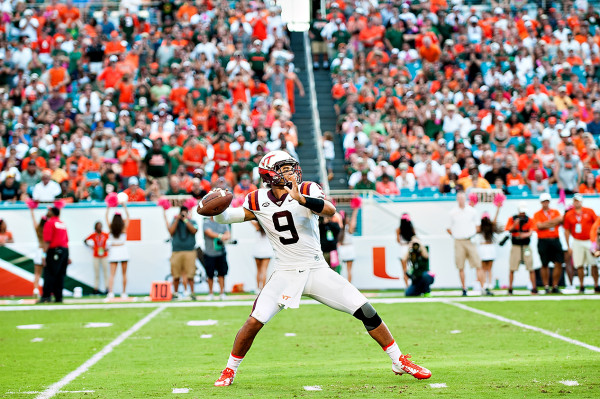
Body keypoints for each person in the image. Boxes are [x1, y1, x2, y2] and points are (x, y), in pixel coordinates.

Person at [204, 151, 430, 387]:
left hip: (316, 268)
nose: (291, 171)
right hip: (285, 272)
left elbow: (329, 210)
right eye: (285, 168)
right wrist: (213, 209)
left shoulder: (308, 189)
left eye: (292, 166)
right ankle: (229, 370)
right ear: (270, 175)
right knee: (254, 322)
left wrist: (300, 199)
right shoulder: (257, 199)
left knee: (366, 311)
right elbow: (229, 216)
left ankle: (398, 360)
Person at [447, 191, 485, 296]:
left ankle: (482, 288)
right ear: (457, 199)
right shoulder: (452, 213)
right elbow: (448, 228)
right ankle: (464, 288)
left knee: (478, 264)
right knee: (460, 266)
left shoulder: (472, 211)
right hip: (459, 241)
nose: (461, 200)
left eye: (462, 198)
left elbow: (478, 226)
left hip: (470, 240)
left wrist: (471, 234)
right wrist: (456, 235)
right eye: (459, 198)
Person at [563, 194, 598, 293]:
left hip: (589, 240)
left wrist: (596, 241)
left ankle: (596, 285)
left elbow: (597, 225)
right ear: (573, 202)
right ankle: (582, 285)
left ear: (581, 202)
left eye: (578, 201)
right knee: (579, 264)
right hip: (577, 241)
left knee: (593, 263)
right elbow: (567, 231)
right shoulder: (569, 214)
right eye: (575, 201)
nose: (577, 202)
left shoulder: (589, 211)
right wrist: (568, 246)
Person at [532, 193, 564, 294]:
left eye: (547, 201)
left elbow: (560, 220)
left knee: (558, 262)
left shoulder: (555, 211)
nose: (545, 203)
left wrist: (546, 224)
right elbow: (539, 226)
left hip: (555, 239)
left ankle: (555, 285)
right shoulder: (537, 214)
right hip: (543, 240)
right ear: (541, 202)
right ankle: (546, 286)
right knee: (544, 263)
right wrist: (552, 223)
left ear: (549, 202)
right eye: (543, 201)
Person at [164, 206, 198, 300]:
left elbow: (194, 230)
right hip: (177, 251)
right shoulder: (175, 221)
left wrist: (186, 220)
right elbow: (171, 232)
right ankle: (175, 293)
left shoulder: (192, 221)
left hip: (190, 251)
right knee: (176, 274)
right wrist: (177, 219)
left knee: (190, 274)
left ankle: (192, 293)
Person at [505, 202, 538, 295]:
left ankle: (534, 288)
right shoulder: (512, 219)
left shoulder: (529, 220)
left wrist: (524, 235)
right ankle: (510, 288)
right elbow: (509, 229)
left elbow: (531, 231)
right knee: (512, 267)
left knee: (530, 266)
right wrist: (516, 224)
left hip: (526, 246)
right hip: (516, 246)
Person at [39, 207, 69, 303]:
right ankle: (58, 297)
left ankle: (46, 296)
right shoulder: (62, 223)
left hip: (54, 251)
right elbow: (66, 240)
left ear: (52, 213)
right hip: (64, 251)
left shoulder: (49, 223)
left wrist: (44, 255)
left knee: (49, 273)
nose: (47, 212)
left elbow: (47, 241)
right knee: (60, 275)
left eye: (49, 210)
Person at [203, 216, 231, 301]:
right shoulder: (206, 223)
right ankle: (210, 293)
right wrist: (221, 236)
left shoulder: (223, 222)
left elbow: (228, 234)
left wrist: (224, 236)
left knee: (221, 274)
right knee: (210, 274)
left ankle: (222, 293)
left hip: (221, 253)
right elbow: (209, 233)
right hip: (209, 253)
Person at [105, 203, 130, 299]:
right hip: (123, 250)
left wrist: (108, 207)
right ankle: (124, 293)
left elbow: (106, 217)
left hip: (114, 251)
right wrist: (124, 206)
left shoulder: (111, 227)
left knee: (112, 274)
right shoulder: (123, 228)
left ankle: (110, 292)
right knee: (124, 273)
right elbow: (128, 217)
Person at [478, 203, 501, 296]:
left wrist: (498, 208)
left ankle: (486, 285)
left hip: (485, 248)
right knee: (488, 269)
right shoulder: (483, 227)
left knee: (484, 268)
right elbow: (495, 218)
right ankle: (487, 285)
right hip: (488, 248)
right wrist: (498, 208)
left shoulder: (480, 228)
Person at [84, 221, 109, 295]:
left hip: (104, 255)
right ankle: (96, 288)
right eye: (98, 226)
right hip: (96, 255)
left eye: (101, 225)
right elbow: (85, 240)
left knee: (105, 272)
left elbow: (111, 241)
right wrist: (90, 246)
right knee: (96, 273)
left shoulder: (105, 234)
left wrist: (107, 248)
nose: (100, 227)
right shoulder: (93, 235)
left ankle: (107, 288)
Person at [29, 209, 47, 298]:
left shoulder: (38, 229)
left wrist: (31, 210)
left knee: (37, 273)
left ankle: (35, 289)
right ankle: (46, 291)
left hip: (38, 251)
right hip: (45, 252)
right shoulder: (48, 230)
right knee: (47, 273)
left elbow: (33, 220)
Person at [251, 220, 273, 294]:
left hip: (257, 251)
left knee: (258, 271)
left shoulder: (256, 226)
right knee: (264, 270)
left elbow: (249, 220)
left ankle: (258, 288)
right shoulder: (268, 226)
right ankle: (263, 288)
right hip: (266, 251)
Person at [338, 208, 358, 282]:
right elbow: (354, 220)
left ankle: (341, 285)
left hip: (342, 249)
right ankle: (349, 285)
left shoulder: (338, 227)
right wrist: (356, 209)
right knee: (349, 270)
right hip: (349, 248)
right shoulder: (349, 227)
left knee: (340, 270)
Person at [396, 213, 415, 288]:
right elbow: (414, 237)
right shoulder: (411, 228)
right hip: (410, 247)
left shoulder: (399, 229)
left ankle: (407, 286)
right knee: (413, 268)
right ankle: (414, 285)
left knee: (404, 269)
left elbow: (398, 240)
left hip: (403, 248)